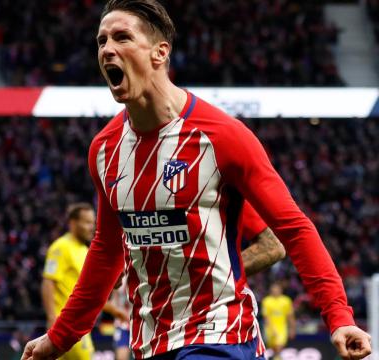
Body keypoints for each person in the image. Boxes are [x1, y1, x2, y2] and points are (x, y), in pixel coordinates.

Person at [22, 1, 372, 359]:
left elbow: (292, 230)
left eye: (122, 37)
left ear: (160, 53)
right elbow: (107, 249)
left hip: (220, 334)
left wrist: (339, 316)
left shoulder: (222, 137)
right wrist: (60, 337)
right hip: (150, 341)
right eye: (101, 41)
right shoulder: (104, 150)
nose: (107, 49)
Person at [110, 204, 286, 360]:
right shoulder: (128, 191)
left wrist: (199, 276)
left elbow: (271, 247)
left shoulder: (213, 184)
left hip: (215, 324)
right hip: (155, 331)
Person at [42, 203, 129, 360]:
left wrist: (114, 311)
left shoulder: (85, 251)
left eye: (93, 223)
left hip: (78, 325)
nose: (91, 227)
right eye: (87, 222)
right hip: (66, 325)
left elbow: (92, 293)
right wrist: (51, 318)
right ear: (73, 223)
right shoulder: (60, 247)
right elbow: (48, 283)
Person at [262, 283, 296, 360]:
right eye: (273, 289)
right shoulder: (267, 301)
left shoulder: (286, 301)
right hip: (270, 328)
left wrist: (292, 329)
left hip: (282, 328)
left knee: (279, 347)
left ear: (281, 290)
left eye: (277, 289)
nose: (275, 290)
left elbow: (290, 316)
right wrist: (271, 329)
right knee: (274, 348)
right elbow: (266, 317)